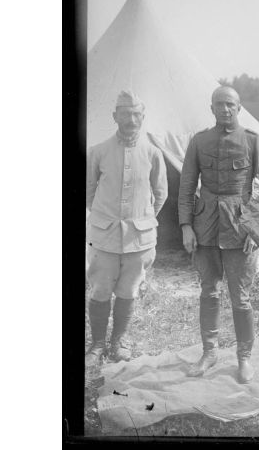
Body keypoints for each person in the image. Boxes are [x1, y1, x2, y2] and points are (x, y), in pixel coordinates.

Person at [178, 86, 259, 384]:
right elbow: (187, 186)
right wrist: (186, 226)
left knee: (240, 298)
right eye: (219, 104)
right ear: (211, 108)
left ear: (239, 107)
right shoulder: (199, 141)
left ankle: (244, 358)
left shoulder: (254, 142)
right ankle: (209, 352)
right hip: (205, 228)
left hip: (240, 228)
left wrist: (254, 230)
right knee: (209, 291)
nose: (225, 109)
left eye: (230, 104)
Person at [85, 90, 167, 366]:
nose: (130, 119)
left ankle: (118, 341)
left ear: (143, 117)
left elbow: (161, 192)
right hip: (104, 236)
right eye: (124, 113)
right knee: (99, 289)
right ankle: (97, 344)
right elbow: (87, 191)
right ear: (114, 116)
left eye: (136, 114)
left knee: (128, 290)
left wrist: (142, 219)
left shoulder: (153, 153)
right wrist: (101, 218)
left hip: (138, 238)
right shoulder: (97, 152)